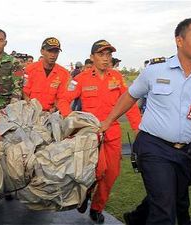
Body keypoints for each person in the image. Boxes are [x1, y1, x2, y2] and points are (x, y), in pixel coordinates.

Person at [100, 17, 191, 225]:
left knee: (177, 200)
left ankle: (135, 218)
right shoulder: (155, 71)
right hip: (153, 146)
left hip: (186, 151)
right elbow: (130, 95)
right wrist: (108, 121)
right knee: (164, 211)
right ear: (179, 41)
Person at [58, 39, 141, 223]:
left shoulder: (117, 78)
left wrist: (138, 130)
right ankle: (84, 194)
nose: (106, 59)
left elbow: (131, 105)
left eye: (109, 55)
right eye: (101, 54)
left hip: (112, 134)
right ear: (92, 57)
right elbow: (63, 100)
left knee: (111, 174)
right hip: (90, 137)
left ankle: (96, 208)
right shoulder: (80, 78)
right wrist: (74, 121)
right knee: (94, 172)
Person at [23, 37, 70, 112]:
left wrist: (55, 108)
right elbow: (25, 93)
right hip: (30, 112)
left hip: (51, 114)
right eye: (49, 51)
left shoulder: (64, 74)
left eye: (56, 52)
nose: (53, 55)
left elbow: (62, 97)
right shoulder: (30, 69)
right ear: (42, 51)